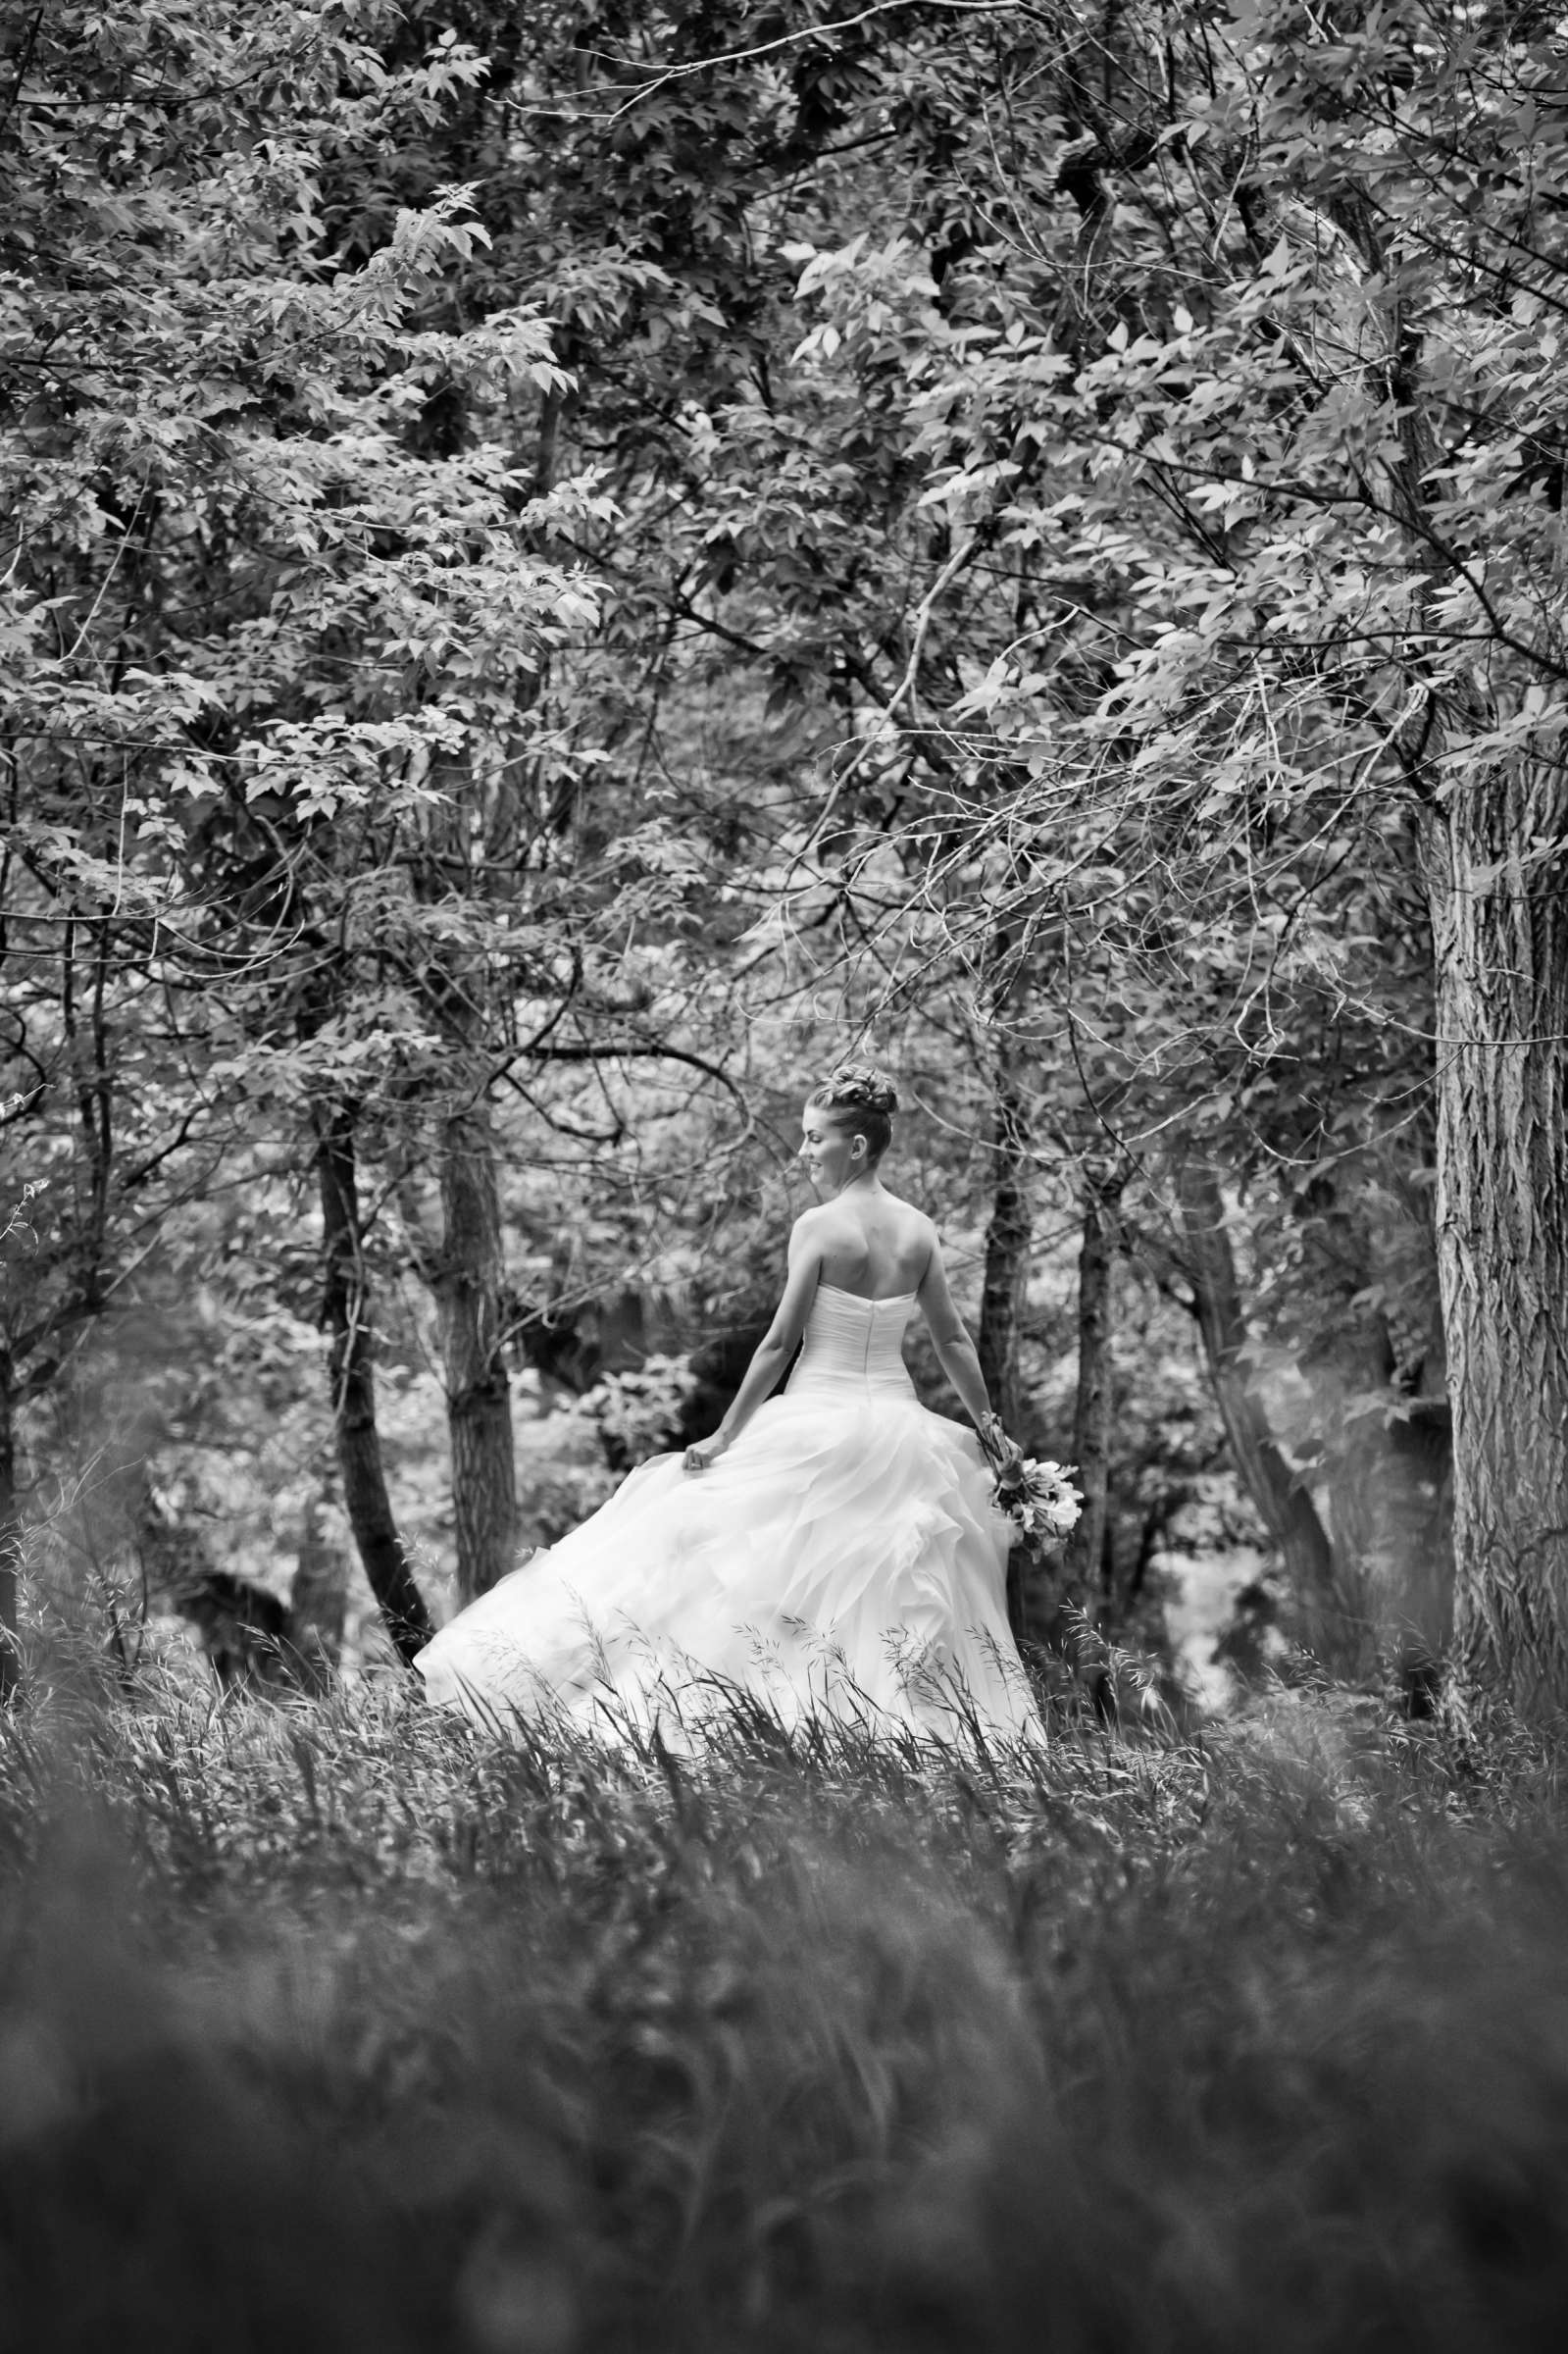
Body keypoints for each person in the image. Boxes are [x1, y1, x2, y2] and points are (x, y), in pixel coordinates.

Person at [415, 1063, 1041, 1740]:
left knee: (756, 1578)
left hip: (817, 1423)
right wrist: (989, 1432)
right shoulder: (917, 1230)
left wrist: (724, 1436)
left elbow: (777, 1344)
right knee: (884, 1596)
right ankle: (876, 1735)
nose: (803, 1153)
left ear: (855, 1147)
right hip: (899, 1432)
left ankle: (762, 1725)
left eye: (813, 1139)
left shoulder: (820, 1227)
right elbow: (951, 1337)